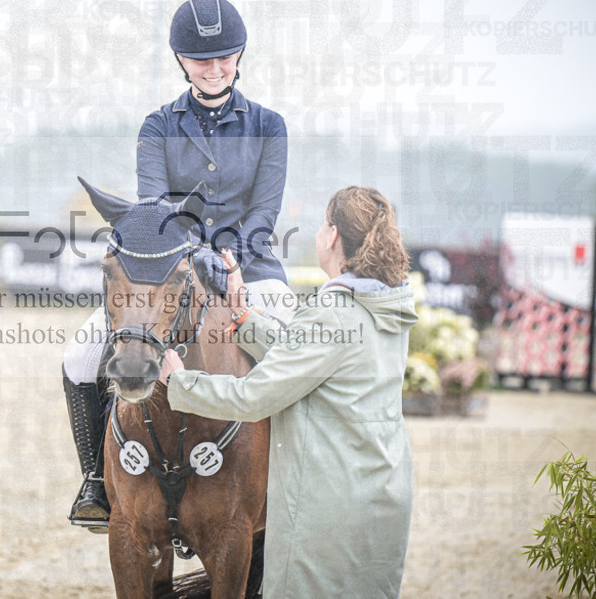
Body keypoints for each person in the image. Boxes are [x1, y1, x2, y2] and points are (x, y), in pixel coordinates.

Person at [63, 0, 295, 528]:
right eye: (200, 60)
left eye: (225, 58)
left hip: (252, 271)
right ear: (181, 61)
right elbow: (156, 212)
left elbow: (264, 212)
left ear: (240, 56)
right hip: (167, 272)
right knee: (80, 357)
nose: (214, 69)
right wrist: (196, 256)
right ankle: (96, 481)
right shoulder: (157, 126)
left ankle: (286, 482)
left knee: (289, 350)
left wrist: (227, 261)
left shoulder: (270, 125)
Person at [160, 186, 417, 598]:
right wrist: (244, 317)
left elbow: (256, 396)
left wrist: (179, 383)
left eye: (322, 224)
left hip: (330, 503)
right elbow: (309, 360)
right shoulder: (385, 306)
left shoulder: (335, 311)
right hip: (382, 491)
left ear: (332, 236)